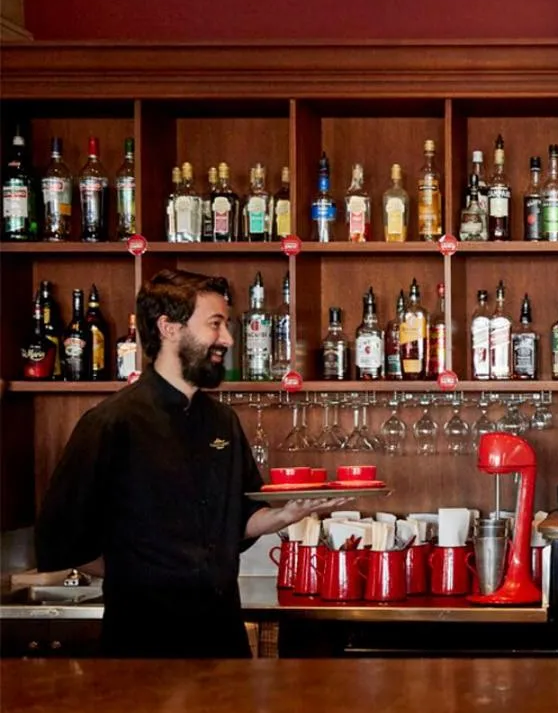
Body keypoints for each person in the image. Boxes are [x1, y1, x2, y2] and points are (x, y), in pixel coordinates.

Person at [35, 269, 347, 658]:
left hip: (222, 636)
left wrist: (287, 515)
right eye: (215, 324)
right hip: (143, 645)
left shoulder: (222, 421)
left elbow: (240, 519)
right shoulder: (112, 423)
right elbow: (59, 540)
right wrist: (143, 576)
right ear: (168, 328)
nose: (228, 339)